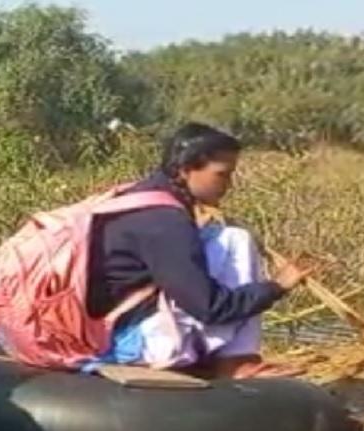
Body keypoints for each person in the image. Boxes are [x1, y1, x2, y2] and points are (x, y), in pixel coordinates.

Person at [84, 122, 313, 378]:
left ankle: (228, 358)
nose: (229, 185)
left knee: (226, 237)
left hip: (107, 330)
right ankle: (236, 360)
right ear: (185, 170)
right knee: (236, 239)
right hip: (129, 345)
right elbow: (209, 308)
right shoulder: (165, 221)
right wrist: (277, 287)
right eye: (222, 175)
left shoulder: (140, 196)